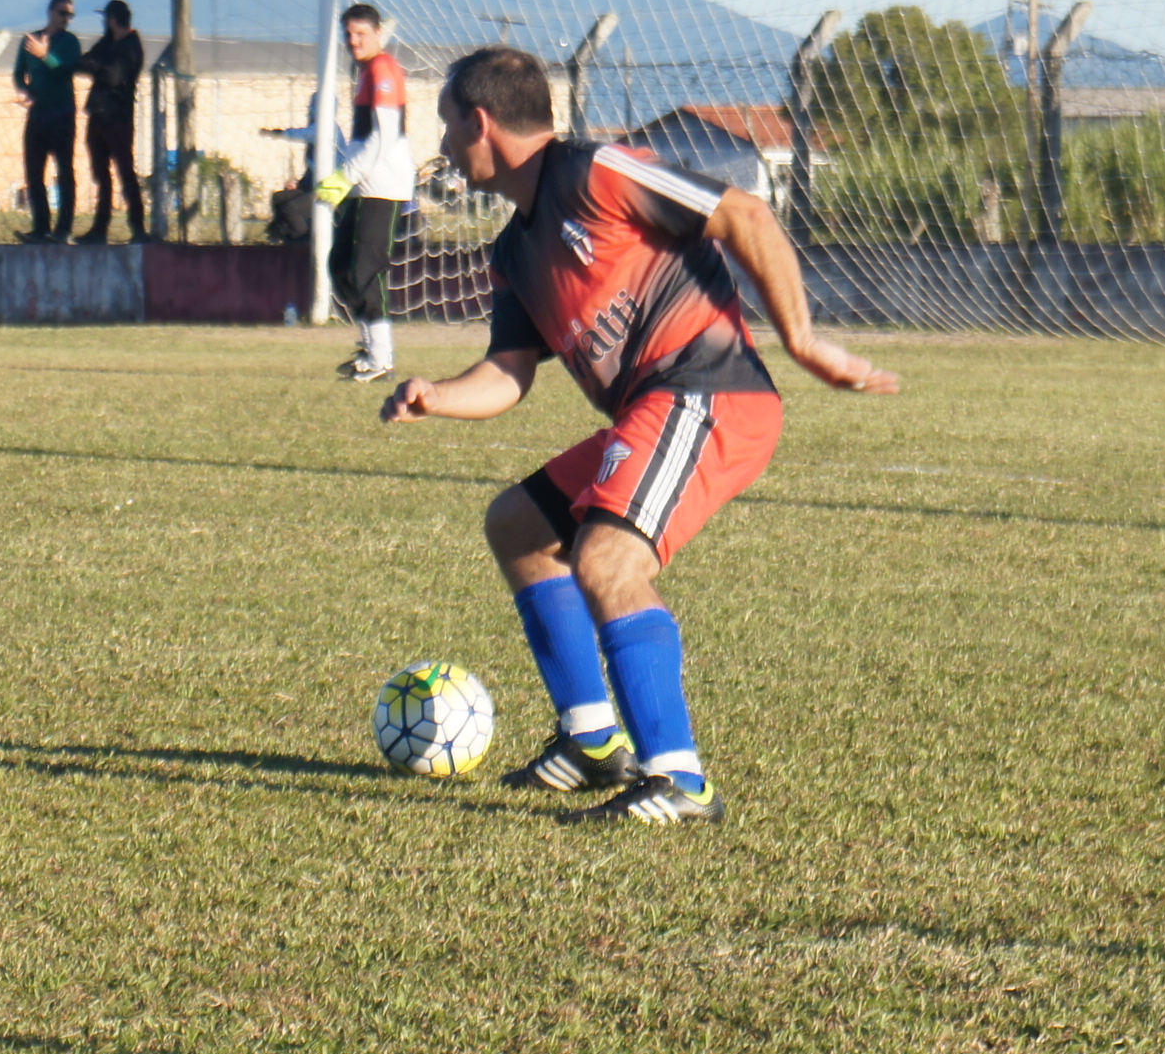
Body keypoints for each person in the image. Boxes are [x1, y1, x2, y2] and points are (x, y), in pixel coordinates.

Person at [379, 46, 898, 826]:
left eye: (448, 123)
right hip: (653, 410)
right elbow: (509, 374)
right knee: (519, 527)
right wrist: (437, 396)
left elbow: (744, 213)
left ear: (479, 122)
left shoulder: (598, 173)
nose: (445, 143)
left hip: (710, 393)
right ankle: (592, 741)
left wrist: (803, 341)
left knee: (608, 559)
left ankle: (679, 779)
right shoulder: (516, 249)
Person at [315, 2, 418, 381]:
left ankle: (382, 359)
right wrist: (346, 175)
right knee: (339, 265)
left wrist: (348, 174)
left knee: (364, 271)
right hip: (363, 183)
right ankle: (369, 347)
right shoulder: (365, 72)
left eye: (361, 34)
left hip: (384, 185)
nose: (353, 41)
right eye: (348, 34)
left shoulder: (384, 69)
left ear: (377, 34)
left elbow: (384, 136)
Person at [76, 0, 146, 244]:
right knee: (101, 174)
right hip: (99, 115)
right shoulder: (107, 44)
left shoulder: (131, 47)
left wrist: (95, 66)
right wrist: (94, 65)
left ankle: (138, 227)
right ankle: (100, 229)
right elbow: (85, 63)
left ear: (113, 20)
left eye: (106, 18)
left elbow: (113, 76)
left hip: (118, 118)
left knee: (125, 171)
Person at [13, 0, 83, 242]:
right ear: (51, 12)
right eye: (63, 13)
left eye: (70, 15)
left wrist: (46, 56)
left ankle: (63, 229)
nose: (66, 19)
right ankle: (40, 227)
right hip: (38, 114)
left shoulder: (70, 42)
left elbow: (66, 72)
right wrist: (26, 90)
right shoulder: (30, 40)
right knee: (34, 172)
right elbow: (18, 73)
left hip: (62, 113)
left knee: (64, 171)